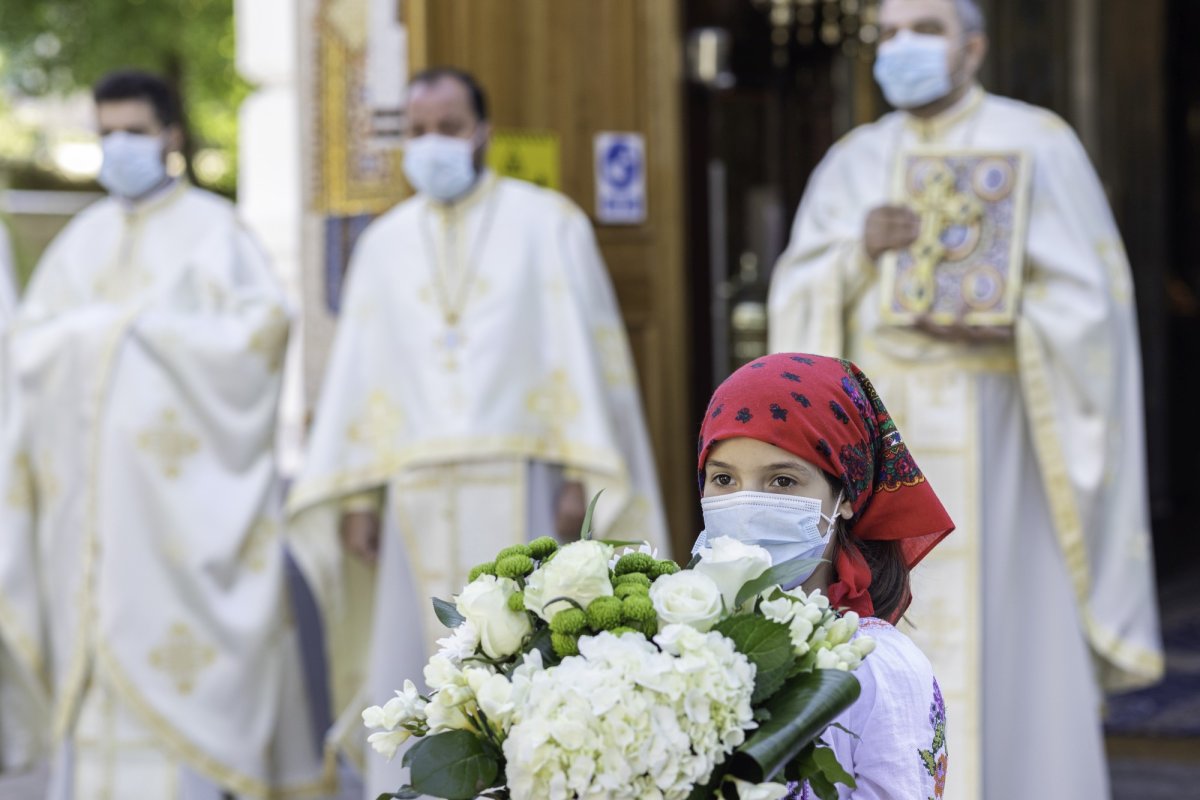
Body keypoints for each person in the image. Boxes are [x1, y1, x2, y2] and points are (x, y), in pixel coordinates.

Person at [766, 0, 1163, 797]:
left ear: (973, 46)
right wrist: (856, 252)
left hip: (1003, 429)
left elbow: (1096, 306)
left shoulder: (1038, 141)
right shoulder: (854, 159)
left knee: (1011, 631)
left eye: (927, 30)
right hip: (880, 432)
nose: (903, 47)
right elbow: (796, 300)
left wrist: (1011, 323)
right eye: (891, 33)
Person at [286, 67, 668, 797]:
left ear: (483, 131)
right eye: (419, 129)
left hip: (524, 480)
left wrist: (580, 479)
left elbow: (584, 361)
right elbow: (360, 379)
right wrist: (359, 499)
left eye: (449, 126)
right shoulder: (384, 244)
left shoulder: (549, 221)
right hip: (412, 489)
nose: (433, 143)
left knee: (528, 657)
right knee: (414, 663)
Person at [0, 69, 331, 798]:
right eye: (106, 132)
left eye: (133, 132)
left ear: (171, 137)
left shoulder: (217, 233)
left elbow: (260, 337)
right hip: (88, 541)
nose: (118, 146)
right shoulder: (80, 241)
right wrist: (101, 342)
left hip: (181, 541)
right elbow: (25, 353)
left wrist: (121, 339)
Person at [694, 353, 954, 797]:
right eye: (723, 479)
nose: (746, 504)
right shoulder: (683, 637)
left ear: (846, 495)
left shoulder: (877, 667)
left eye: (782, 481)